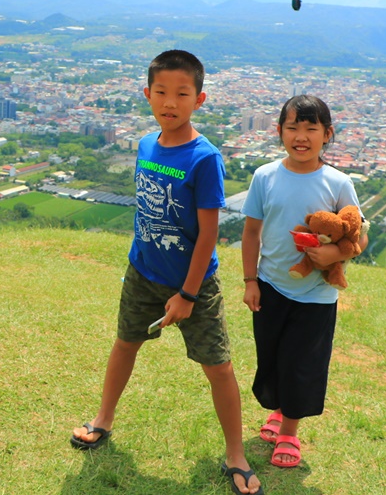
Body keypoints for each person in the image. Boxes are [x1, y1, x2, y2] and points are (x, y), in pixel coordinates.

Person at [71, 49, 263, 495]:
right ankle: (103, 419)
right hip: (142, 271)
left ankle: (236, 454)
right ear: (147, 94)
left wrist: (188, 295)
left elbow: (208, 234)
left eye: (181, 93)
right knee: (125, 344)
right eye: (161, 92)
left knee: (218, 366)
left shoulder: (204, 157)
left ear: (199, 99)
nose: (169, 102)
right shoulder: (145, 145)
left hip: (194, 284)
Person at [240, 94, 368, 469]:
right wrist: (250, 281)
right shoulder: (265, 176)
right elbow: (251, 233)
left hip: (317, 294)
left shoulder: (338, 182)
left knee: (302, 363)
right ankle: (278, 409)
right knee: (273, 357)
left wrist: (335, 255)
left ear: (327, 134)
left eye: (311, 128)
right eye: (292, 127)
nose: (301, 136)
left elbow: (360, 236)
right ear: (278, 131)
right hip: (270, 284)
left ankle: (290, 433)